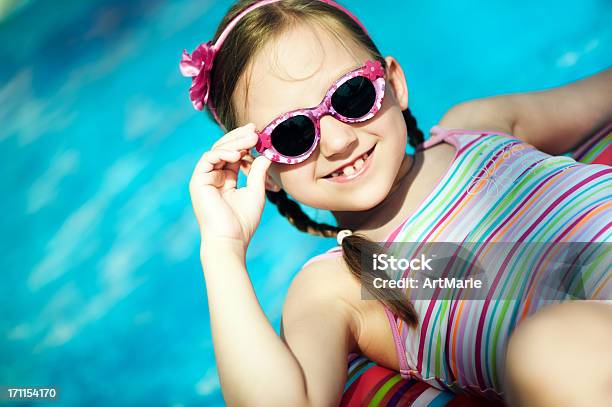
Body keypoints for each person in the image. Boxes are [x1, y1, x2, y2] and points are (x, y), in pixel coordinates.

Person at [181, 0, 612, 405]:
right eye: (292, 134)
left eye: (352, 96)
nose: (338, 140)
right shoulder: (342, 284)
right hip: (582, 352)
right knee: (549, 347)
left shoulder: (477, 125)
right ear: (266, 171)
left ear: (393, 83)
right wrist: (222, 249)